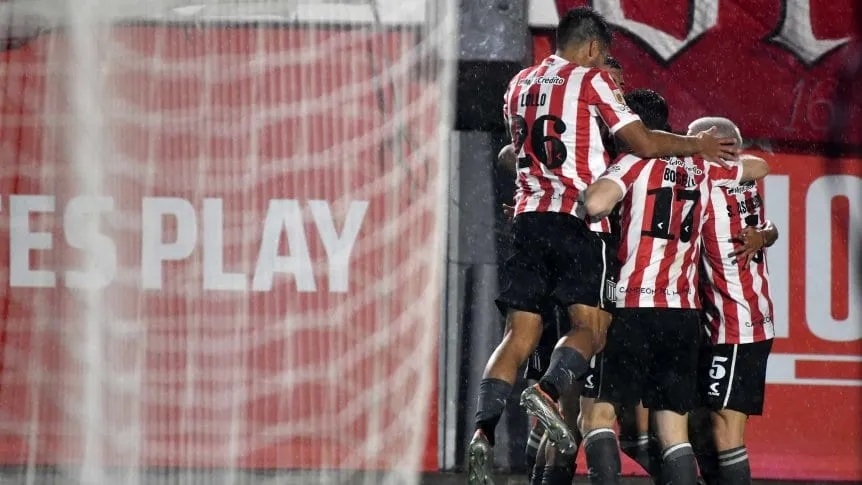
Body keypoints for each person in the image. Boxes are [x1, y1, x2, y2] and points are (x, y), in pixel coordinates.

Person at [467, 6, 739, 484]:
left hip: (528, 224)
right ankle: (547, 392)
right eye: (609, 66)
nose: (612, 79)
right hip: (584, 233)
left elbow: (513, 151)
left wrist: (532, 182)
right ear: (593, 49)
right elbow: (643, 147)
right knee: (591, 344)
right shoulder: (597, 92)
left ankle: (483, 431)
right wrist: (697, 145)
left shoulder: (519, 84)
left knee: (518, 339)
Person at [579, 91, 769, 485]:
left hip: (633, 307)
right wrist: (702, 149)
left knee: (599, 415)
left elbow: (595, 204)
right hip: (683, 315)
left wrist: (579, 203)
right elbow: (756, 167)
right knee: (673, 431)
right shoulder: (701, 168)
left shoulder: (633, 161)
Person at [687, 117, 778, 485]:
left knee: (724, 427)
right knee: (701, 419)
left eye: (694, 141)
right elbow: (761, 168)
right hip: (735, 318)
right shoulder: (744, 181)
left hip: (736, 323)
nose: (688, 148)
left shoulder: (710, 181)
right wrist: (767, 234)